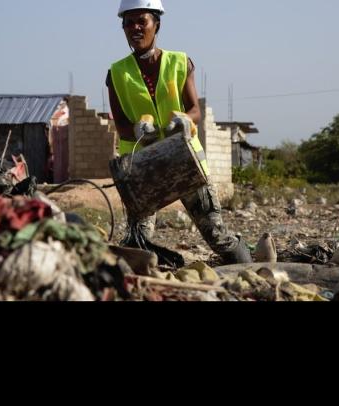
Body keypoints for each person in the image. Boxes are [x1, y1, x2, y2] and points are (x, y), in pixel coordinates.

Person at [106, 0, 252, 263]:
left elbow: (195, 110)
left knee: (217, 235)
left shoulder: (180, 62)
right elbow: (121, 126)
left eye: (142, 21)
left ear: (157, 24)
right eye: (129, 23)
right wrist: (137, 130)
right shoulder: (116, 73)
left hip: (184, 160)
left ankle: (252, 269)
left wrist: (186, 120)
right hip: (144, 166)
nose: (135, 28)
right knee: (138, 241)